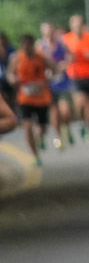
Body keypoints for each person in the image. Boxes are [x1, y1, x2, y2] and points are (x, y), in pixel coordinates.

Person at [9, 33, 53, 166]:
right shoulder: (17, 58)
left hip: (41, 98)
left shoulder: (42, 57)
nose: (27, 47)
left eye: (29, 44)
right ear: (22, 45)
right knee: (27, 126)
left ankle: (40, 137)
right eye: (24, 44)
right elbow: (10, 74)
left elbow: (54, 70)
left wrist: (46, 80)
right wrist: (13, 79)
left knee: (42, 129)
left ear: (33, 44)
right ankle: (35, 156)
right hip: (25, 98)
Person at [63, 15, 89, 142]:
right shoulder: (66, 39)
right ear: (71, 26)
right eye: (75, 25)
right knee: (80, 103)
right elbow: (61, 57)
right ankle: (81, 122)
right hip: (75, 76)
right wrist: (67, 59)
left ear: (83, 25)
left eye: (80, 25)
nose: (78, 28)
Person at [38, 22, 76, 149]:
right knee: (54, 114)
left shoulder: (61, 44)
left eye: (50, 30)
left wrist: (64, 64)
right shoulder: (40, 46)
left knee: (65, 111)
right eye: (45, 31)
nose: (48, 33)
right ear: (42, 32)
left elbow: (71, 56)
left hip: (62, 83)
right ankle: (59, 137)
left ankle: (67, 128)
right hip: (49, 85)